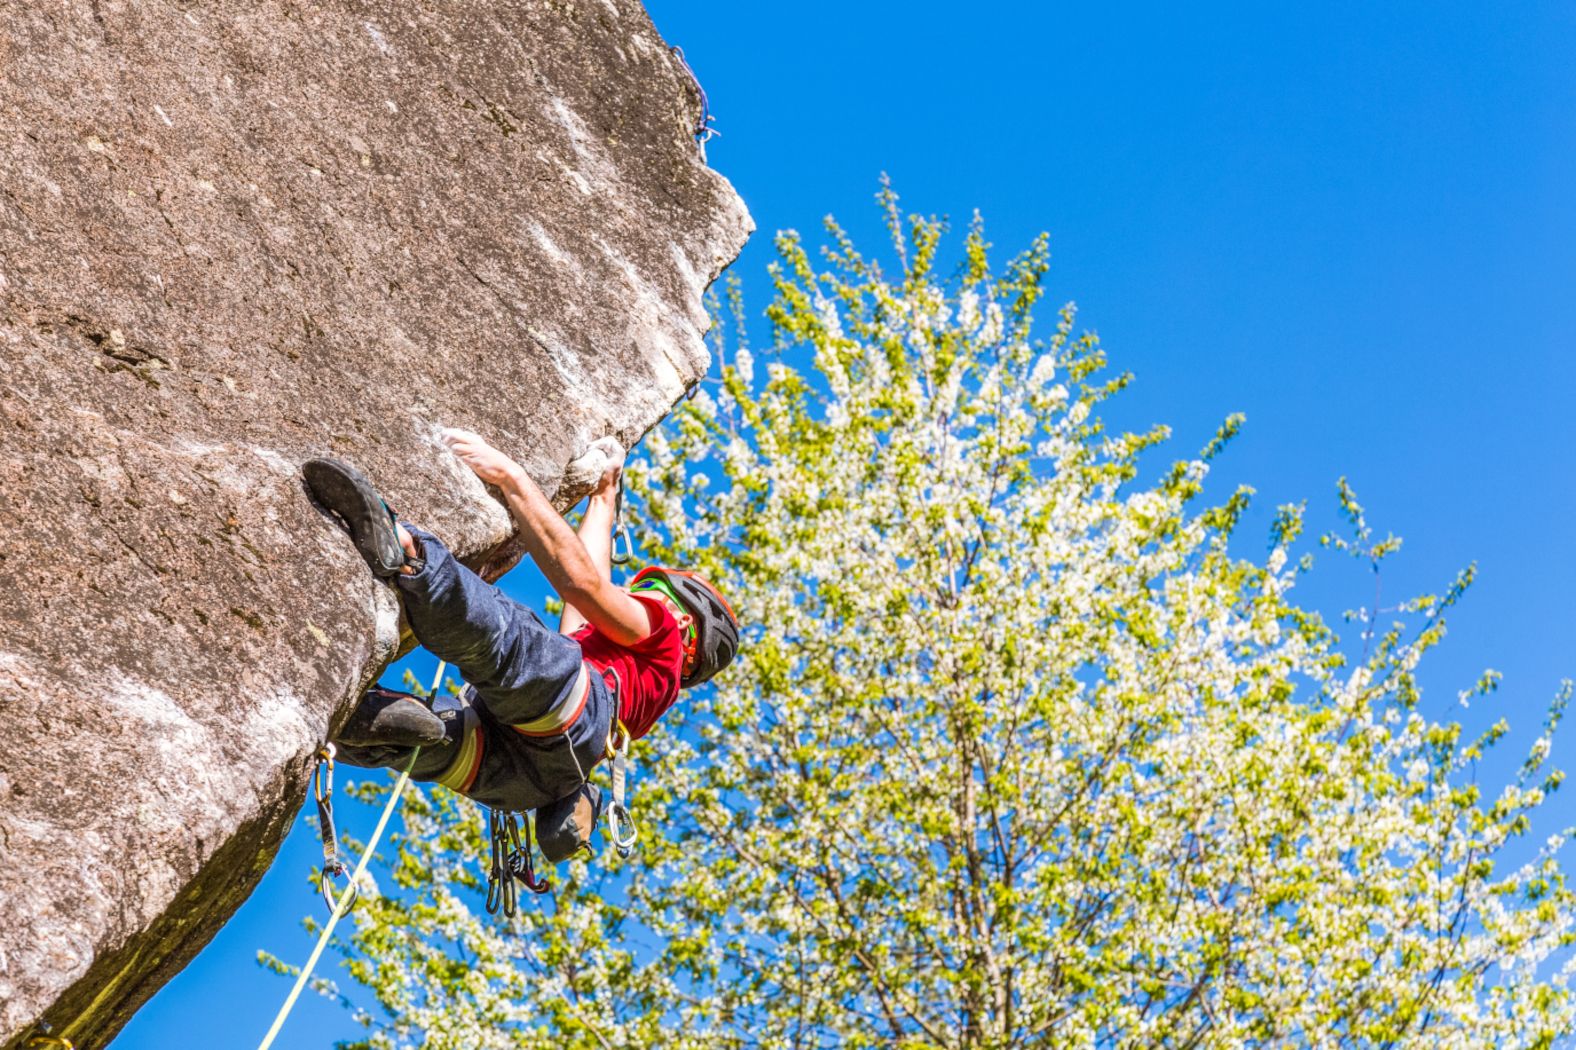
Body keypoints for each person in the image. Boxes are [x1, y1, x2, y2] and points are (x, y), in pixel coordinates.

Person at [302, 428, 738, 863]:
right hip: (532, 776)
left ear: (685, 623)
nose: (630, 593)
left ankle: (411, 553)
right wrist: (604, 498)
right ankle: (365, 723)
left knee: (504, 642)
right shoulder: (642, 684)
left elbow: (583, 584)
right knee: (437, 741)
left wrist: (511, 478)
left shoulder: (663, 631)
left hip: (570, 706)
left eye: (649, 591)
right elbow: (588, 588)